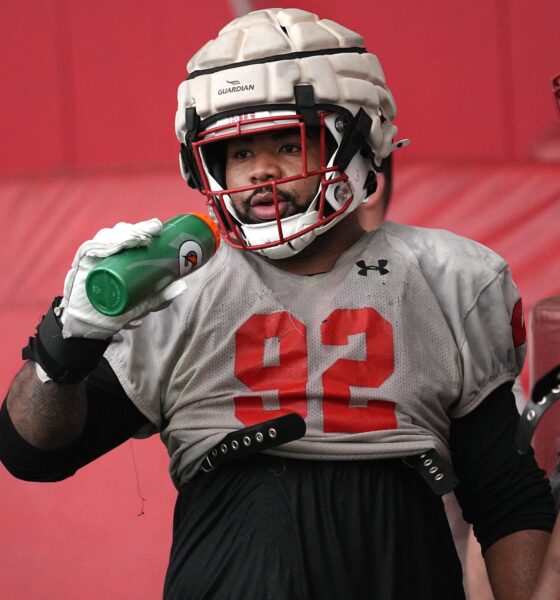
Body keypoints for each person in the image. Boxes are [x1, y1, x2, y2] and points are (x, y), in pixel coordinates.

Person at [0, 8, 555, 600]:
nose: (260, 171)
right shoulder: (173, 286)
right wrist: (66, 344)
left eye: (289, 143)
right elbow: (32, 453)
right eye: (239, 152)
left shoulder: (448, 277)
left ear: (361, 141)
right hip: (232, 552)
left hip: (398, 553)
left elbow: (503, 495)